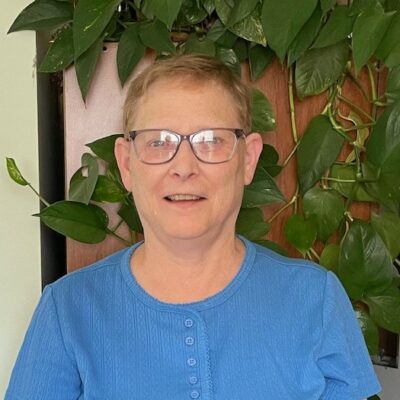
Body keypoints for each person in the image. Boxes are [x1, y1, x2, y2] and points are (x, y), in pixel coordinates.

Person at [6, 54, 381, 400]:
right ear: (126, 163)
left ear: (247, 159)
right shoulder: (67, 311)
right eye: (158, 142)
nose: (184, 167)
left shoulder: (315, 300)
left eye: (211, 141)